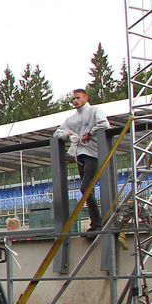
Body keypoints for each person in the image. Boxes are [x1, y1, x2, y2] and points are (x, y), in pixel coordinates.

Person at [54, 88, 109, 231]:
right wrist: (67, 135)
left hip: (94, 154)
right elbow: (57, 132)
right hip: (80, 156)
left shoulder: (95, 110)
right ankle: (95, 223)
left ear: (86, 98)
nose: (75, 101)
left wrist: (90, 133)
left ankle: (97, 223)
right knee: (87, 190)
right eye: (73, 98)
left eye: (78, 98)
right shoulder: (71, 119)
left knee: (86, 188)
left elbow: (104, 124)